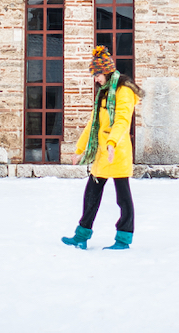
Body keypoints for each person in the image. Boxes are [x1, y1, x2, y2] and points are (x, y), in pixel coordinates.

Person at [62, 46, 143, 250]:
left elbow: (122, 121)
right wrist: (79, 150)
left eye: (97, 74)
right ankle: (81, 236)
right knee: (91, 195)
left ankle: (123, 239)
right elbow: (93, 123)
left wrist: (112, 144)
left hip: (116, 152)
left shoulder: (123, 91)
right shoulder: (104, 92)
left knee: (123, 198)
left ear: (106, 72)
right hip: (102, 153)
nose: (96, 79)